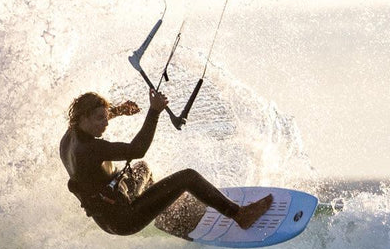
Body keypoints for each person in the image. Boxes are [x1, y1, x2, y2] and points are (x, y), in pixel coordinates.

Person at [59, 88, 273, 236]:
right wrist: (154, 111)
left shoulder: (70, 136)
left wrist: (119, 111)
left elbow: (98, 121)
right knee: (187, 177)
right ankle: (240, 214)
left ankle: (165, 215)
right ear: (83, 118)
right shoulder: (90, 150)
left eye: (106, 117)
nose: (105, 124)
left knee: (143, 170)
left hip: (109, 208)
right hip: (123, 219)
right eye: (100, 119)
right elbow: (137, 149)